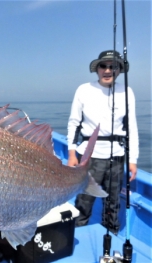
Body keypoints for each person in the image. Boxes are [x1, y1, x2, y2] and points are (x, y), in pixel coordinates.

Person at [67, 50, 139, 235]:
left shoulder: (127, 91)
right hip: (89, 156)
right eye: (103, 66)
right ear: (97, 69)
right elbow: (74, 123)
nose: (108, 70)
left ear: (119, 70)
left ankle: (112, 235)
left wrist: (133, 159)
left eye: (113, 66)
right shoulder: (84, 89)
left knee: (113, 202)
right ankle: (78, 233)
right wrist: (72, 154)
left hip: (117, 156)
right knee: (84, 199)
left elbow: (131, 127)